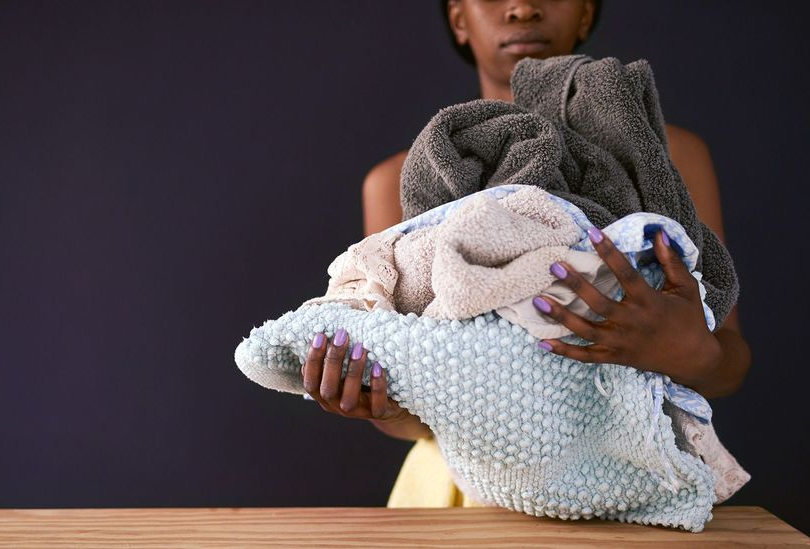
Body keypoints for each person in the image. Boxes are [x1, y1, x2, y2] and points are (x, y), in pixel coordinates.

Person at [299, 0, 752, 507]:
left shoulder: (669, 158)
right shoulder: (401, 182)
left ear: (585, 13)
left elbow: (730, 362)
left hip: (630, 480)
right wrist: (381, 404)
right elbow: (413, 420)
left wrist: (691, 351)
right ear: (459, 19)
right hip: (459, 495)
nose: (522, 8)